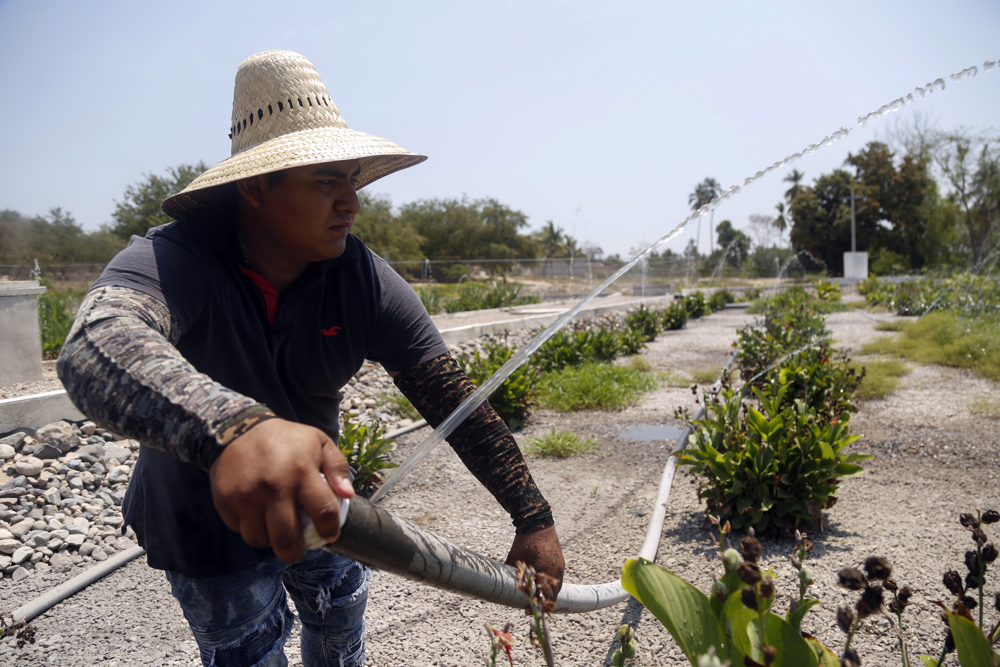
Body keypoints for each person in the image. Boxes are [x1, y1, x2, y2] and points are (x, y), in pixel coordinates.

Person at [57, 50, 564, 667]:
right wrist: (233, 430)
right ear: (254, 188)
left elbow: (451, 397)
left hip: (329, 506)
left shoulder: (363, 280)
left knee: (339, 629)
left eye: (352, 179)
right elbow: (95, 342)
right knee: (248, 652)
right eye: (326, 181)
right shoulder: (178, 260)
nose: (351, 201)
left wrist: (533, 518)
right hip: (205, 522)